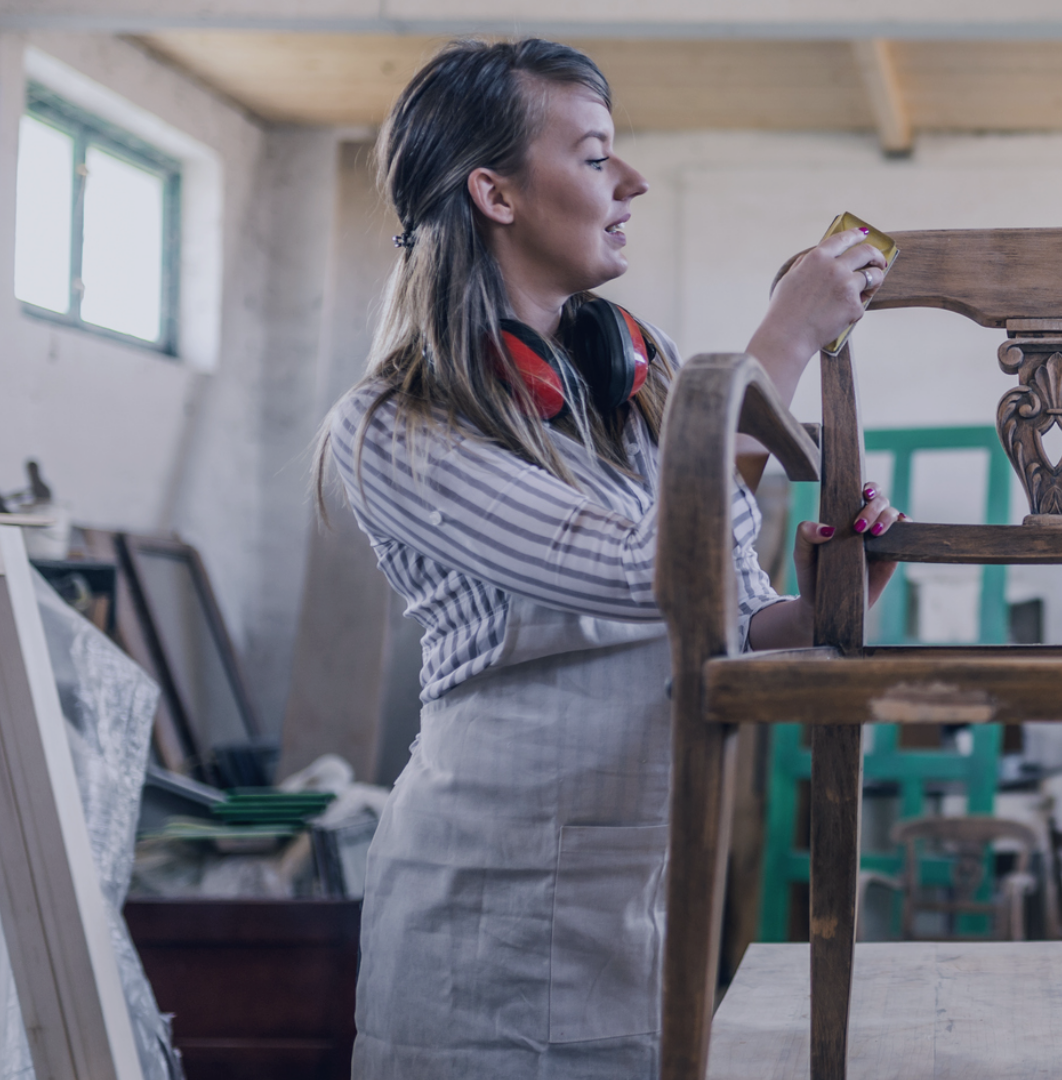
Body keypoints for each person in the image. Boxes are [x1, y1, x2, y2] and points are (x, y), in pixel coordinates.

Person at [319, 38, 897, 1079]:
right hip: (483, 929)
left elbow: (728, 615)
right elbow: (651, 567)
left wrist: (814, 616)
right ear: (493, 193)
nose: (629, 183)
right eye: (594, 158)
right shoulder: (395, 429)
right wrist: (780, 347)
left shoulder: (632, 385)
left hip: (640, 913)